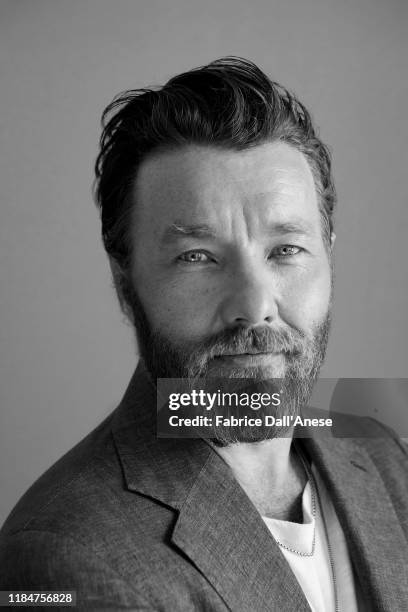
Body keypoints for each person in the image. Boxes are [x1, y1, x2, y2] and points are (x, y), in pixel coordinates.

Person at [0, 57, 407, 611]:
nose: (255, 306)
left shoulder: (387, 454)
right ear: (126, 284)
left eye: (286, 250)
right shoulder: (60, 557)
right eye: (197, 257)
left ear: (328, 257)